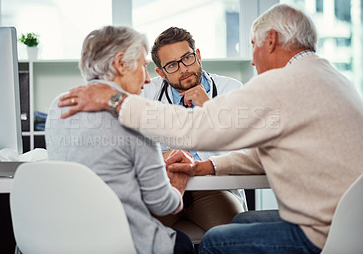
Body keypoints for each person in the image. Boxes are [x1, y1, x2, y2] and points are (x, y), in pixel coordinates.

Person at [57, 3, 363, 253]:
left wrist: (114, 99)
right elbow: (263, 153)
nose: (253, 61)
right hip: (348, 223)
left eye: (254, 46)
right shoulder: (329, 77)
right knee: (240, 225)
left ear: (270, 41)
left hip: (322, 232)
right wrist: (206, 166)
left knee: (217, 242)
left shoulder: (281, 83)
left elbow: (195, 128)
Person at [45, 26, 195, 254]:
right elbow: (162, 204)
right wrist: (178, 184)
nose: (147, 80)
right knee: (184, 243)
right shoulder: (133, 114)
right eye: (144, 67)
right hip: (120, 243)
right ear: (120, 63)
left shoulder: (58, 105)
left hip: (63, 239)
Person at [142, 26, 246, 232]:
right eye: (172, 65)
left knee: (233, 236)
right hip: (164, 189)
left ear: (197, 55)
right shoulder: (147, 94)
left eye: (187, 58)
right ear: (161, 73)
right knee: (135, 235)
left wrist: (210, 109)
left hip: (213, 189)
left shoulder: (231, 90)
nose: (183, 69)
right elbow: (136, 148)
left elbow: (243, 152)